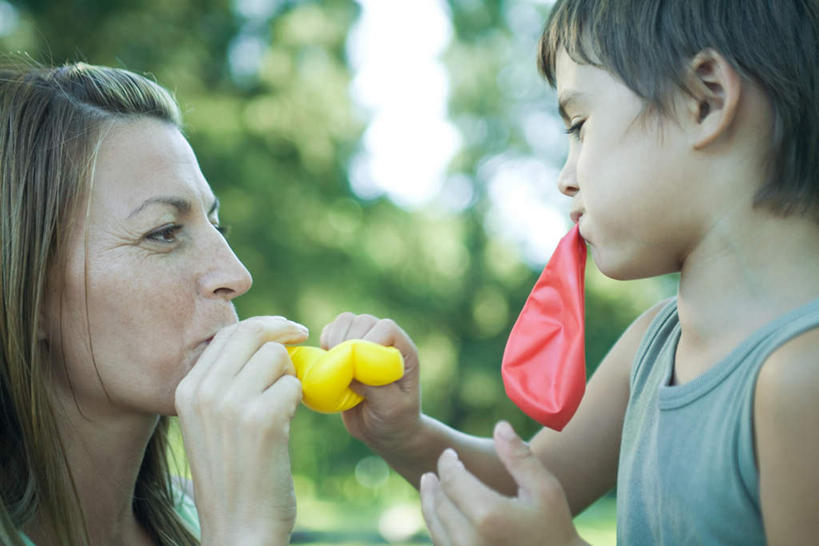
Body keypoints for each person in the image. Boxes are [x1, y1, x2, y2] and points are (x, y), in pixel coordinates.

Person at [320, 0, 819, 543]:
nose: (565, 179)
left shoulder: (802, 379)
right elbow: (522, 490)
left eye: (579, 125)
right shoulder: (652, 345)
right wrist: (404, 434)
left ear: (705, 100)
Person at [0, 61, 308, 545]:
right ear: (29, 296)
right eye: (164, 233)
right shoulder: (234, 527)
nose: (236, 275)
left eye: (216, 226)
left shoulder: (203, 520)